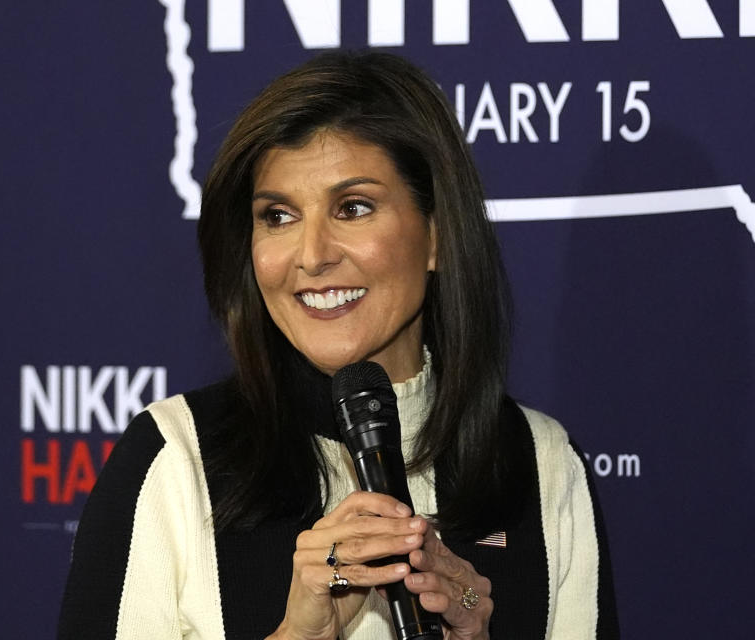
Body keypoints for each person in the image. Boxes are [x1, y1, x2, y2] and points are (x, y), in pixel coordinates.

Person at [57, 51, 618, 640]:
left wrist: (475, 618)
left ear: (438, 235)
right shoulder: (175, 458)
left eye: (353, 207)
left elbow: (487, 600)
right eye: (278, 215)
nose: (312, 254)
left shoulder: (542, 463)